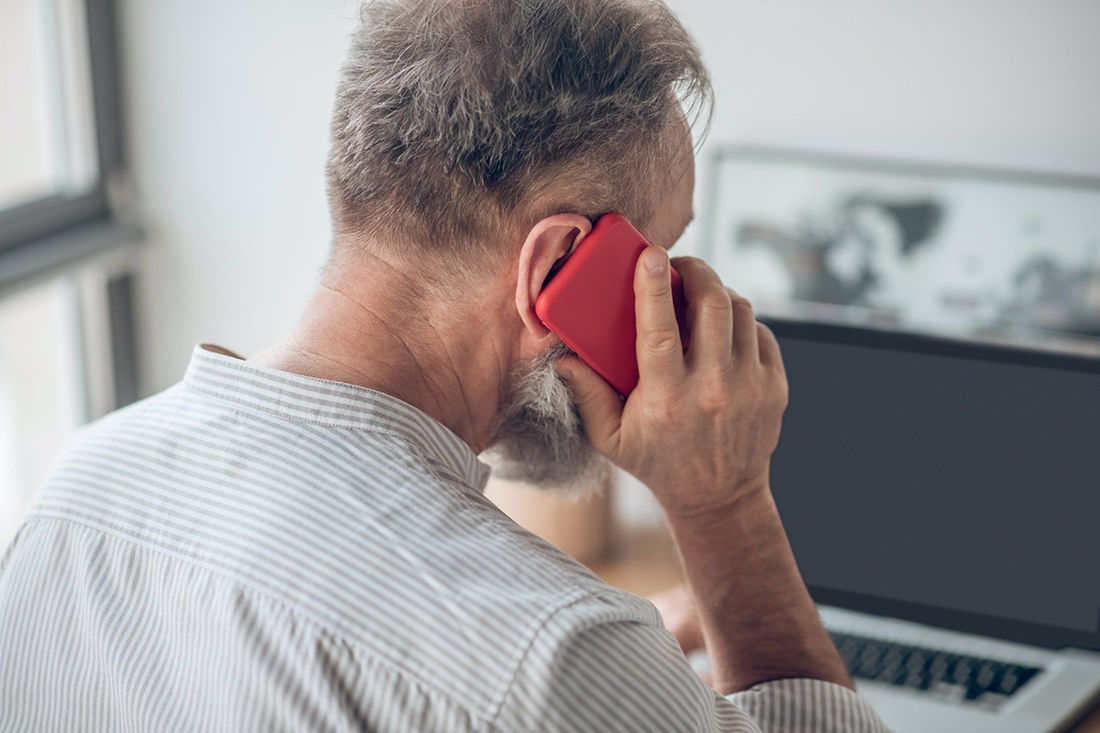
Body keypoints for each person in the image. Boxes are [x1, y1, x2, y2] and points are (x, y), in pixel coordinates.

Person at [0, 1, 890, 730]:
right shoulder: (549, 658)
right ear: (555, 275)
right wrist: (723, 505)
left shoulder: (78, 490)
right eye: (665, 255)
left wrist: (632, 680)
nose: (692, 302)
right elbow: (502, 667)